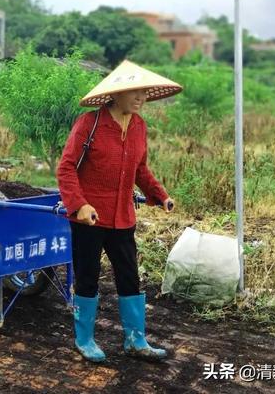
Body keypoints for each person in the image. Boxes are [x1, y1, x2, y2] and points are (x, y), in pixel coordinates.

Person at [57, 60, 182, 363]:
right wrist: (80, 204)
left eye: (145, 92)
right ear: (115, 94)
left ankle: (135, 339)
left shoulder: (139, 126)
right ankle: (84, 338)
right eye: (135, 92)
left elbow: (140, 169)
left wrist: (160, 195)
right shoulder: (90, 123)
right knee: (88, 276)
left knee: (129, 275)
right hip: (90, 217)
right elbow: (66, 168)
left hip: (123, 215)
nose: (142, 98)